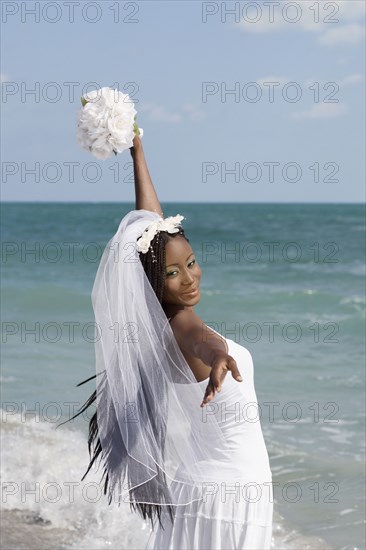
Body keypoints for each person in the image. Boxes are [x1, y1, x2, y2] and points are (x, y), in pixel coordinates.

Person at [68, 135, 273, 550]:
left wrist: (137, 153)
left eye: (192, 263)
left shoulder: (157, 322)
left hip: (207, 489)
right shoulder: (181, 326)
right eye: (173, 273)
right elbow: (201, 342)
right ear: (152, 282)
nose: (190, 276)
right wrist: (219, 356)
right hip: (229, 496)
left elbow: (150, 226)